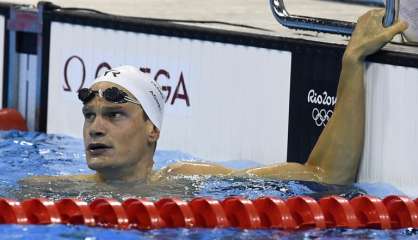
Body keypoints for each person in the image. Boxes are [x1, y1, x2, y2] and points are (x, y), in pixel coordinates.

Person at [29, 9, 408, 184]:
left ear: (152, 130)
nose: (95, 128)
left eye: (114, 115)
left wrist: (352, 62)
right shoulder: (47, 193)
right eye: (90, 115)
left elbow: (326, 177)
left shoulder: (189, 183)